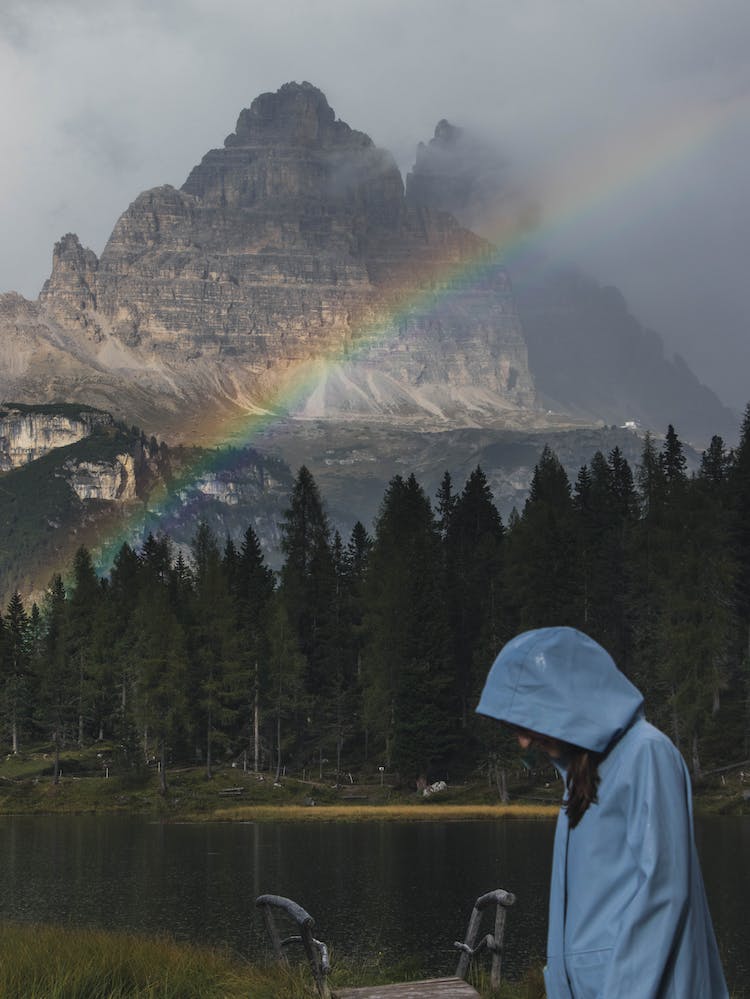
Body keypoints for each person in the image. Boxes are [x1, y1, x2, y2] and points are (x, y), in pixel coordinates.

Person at [476, 626, 728, 999]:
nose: (525, 741)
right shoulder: (581, 777)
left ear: (569, 699)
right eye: (516, 727)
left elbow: (663, 892)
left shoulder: (647, 753)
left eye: (529, 721)